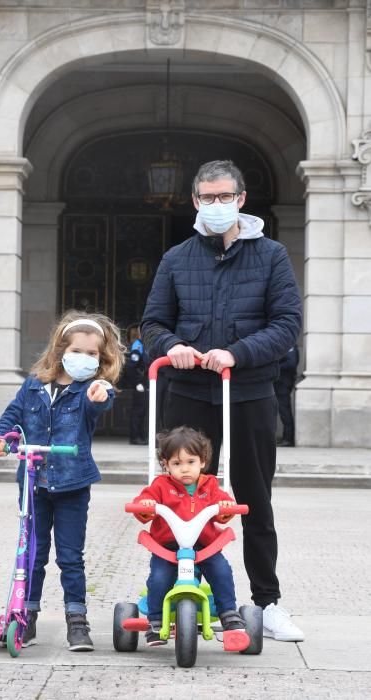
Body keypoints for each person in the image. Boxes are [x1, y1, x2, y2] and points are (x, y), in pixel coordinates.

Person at [141, 159, 304, 642]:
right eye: (207, 197)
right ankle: (170, 595)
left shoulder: (271, 256)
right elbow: (152, 323)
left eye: (224, 196)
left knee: (253, 500)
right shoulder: (176, 259)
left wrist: (234, 353)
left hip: (249, 394)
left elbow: (287, 325)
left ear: (241, 198)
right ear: (195, 201)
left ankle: (267, 602)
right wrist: (172, 348)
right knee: (176, 500)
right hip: (188, 397)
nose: (216, 205)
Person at [0, 310, 125, 651]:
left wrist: (100, 395)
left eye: (93, 354)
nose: (85, 358)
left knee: (70, 556)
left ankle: (77, 622)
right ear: (61, 349)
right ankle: (26, 617)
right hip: (33, 485)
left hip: (73, 484)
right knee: (33, 553)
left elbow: (101, 402)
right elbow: (13, 415)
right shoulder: (34, 384)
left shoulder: (90, 388)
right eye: (78, 351)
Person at [132, 426, 248, 648]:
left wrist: (226, 507)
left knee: (221, 571)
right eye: (176, 463)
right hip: (167, 547)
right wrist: (145, 505)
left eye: (190, 462)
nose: (184, 469)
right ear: (166, 465)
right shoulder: (161, 486)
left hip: (204, 546)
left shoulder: (210, 485)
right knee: (159, 578)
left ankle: (228, 613)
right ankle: (155, 620)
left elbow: (225, 509)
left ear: (202, 462)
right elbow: (142, 507)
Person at [124, 323, 149, 445]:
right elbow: (130, 367)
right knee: (138, 411)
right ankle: (135, 437)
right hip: (139, 384)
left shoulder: (144, 345)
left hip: (144, 383)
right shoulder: (137, 346)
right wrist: (137, 383)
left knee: (142, 411)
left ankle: (141, 436)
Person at [274, 345, 299, 447]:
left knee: (284, 410)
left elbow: (291, 363)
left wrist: (275, 367)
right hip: (280, 382)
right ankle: (286, 437)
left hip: (284, 382)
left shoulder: (290, 346)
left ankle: (288, 438)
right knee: (281, 410)